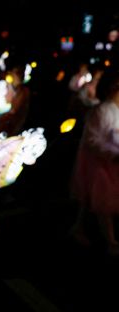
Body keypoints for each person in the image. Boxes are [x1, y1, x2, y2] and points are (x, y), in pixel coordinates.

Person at [69, 69, 119, 257]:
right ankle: (111, 241)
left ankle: (78, 228)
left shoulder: (114, 110)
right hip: (100, 165)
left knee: (92, 201)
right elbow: (92, 140)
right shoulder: (101, 111)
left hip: (112, 164)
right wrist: (112, 154)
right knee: (103, 202)